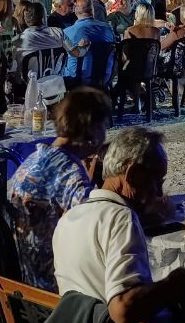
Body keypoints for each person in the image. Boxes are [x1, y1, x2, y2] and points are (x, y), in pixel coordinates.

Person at [52, 127, 185, 323]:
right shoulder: (121, 217)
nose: (159, 192)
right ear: (132, 174)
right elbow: (122, 310)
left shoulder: (70, 217)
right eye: (156, 181)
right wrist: (176, 281)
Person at [8, 87, 111, 291]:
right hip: (48, 281)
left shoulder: (39, 156)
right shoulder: (67, 171)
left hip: (22, 271)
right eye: (104, 126)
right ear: (92, 130)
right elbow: (98, 222)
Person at [65, 0, 117, 85]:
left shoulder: (67, 32)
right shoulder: (108, 28)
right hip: (104, 77)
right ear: (92, 11)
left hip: (76, 78)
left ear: (75, 11)